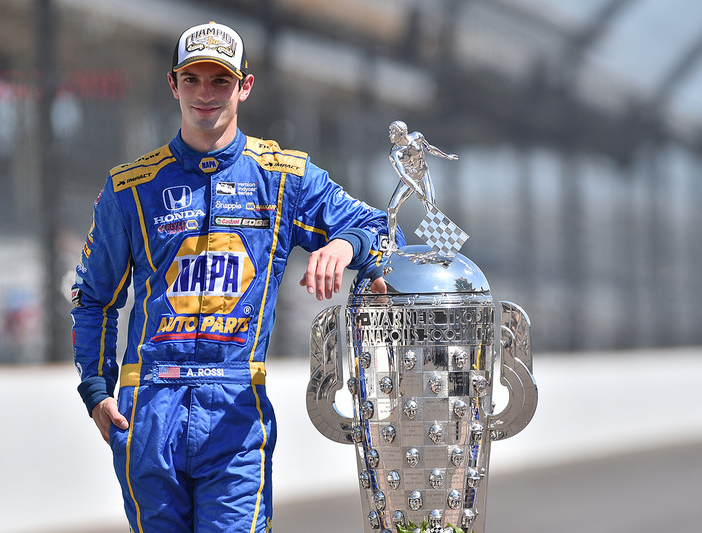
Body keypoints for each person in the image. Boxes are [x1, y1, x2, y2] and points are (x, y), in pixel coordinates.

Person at [71, 21, 401, 533]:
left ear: (244, 86)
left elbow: (381, 228)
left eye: (220, 80)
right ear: (173, 84)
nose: (206, 94)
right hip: (148, 410)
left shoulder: (283, 175)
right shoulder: (129, 189)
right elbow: (92, 299)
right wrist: (97, 390)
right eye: (193, 79)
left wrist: (343, 244)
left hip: (235, 410)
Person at [386, 120, 457, 249]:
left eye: (393, 132)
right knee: (392, 209)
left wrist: (446, 156)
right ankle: (392, 245)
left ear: (402, 133)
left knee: (430, 208)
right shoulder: (394, 153)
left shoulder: (417, 137)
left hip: (423, 175)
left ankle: (443, 246)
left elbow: (429, 148)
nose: (390, 135)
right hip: (408, 181)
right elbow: (403, 174)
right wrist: (417, 189)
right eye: (390, 131)